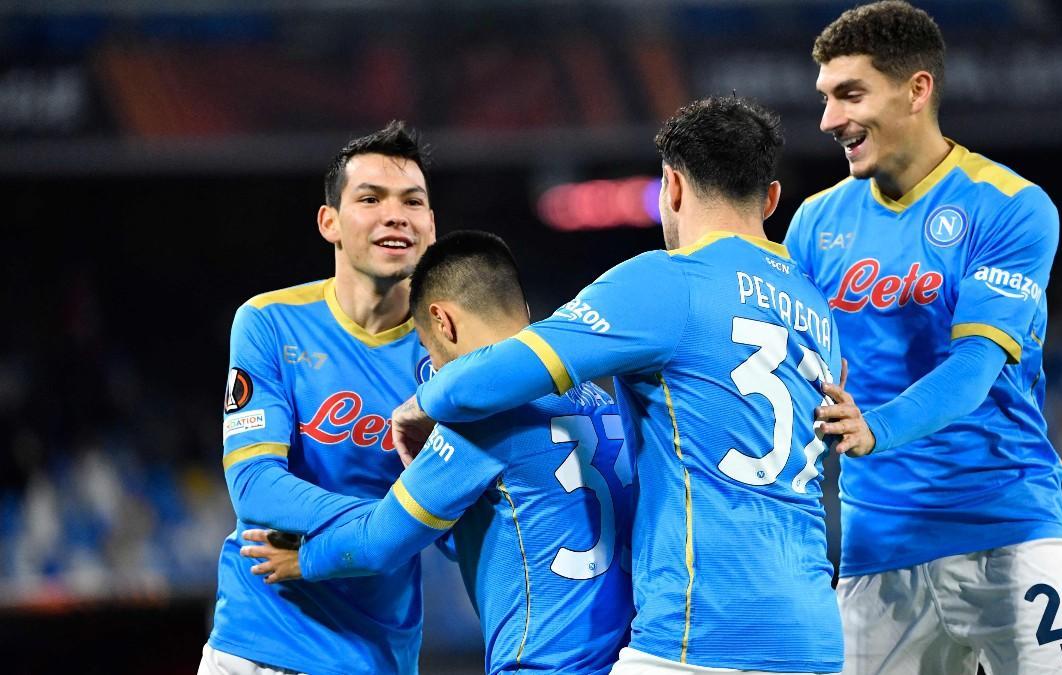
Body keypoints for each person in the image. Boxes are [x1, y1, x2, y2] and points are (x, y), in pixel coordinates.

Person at [392, 96, 845, 674]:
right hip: (816, 637)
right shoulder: (816, 309)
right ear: (772, 198)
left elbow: (493, 376)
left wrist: (420, 402)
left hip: (702, 632)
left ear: (672, 187)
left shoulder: (665, 281)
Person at [786, 2, 1062, 673]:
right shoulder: (816, 224)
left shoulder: (1011, 206)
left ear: (917, 89)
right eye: (824, 98)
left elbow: (974, 368)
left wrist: (874, 427)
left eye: (850, 94)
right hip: (877, 550)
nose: (829, 121)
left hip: (1006, 533)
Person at [238, 230, 637, 674]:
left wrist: (304, 557)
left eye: (429, 350)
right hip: (629, 657)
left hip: (545, 662)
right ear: (522, 310)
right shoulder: (600, 401)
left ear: (442, 323)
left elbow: (380, 543)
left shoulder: (479, 416)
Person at [201, 121, 437, 675]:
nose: (395, 214)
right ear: (329, 221)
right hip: (259, 643)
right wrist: (388, 527)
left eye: (413, 201)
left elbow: (454, 530)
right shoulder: (269, 322)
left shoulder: (453, 355)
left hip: (379, 657)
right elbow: (255, 487)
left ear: (430, 226)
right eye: (370, 198)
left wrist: (341, 546)